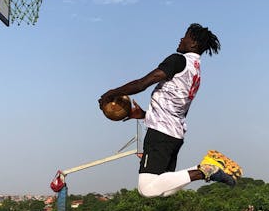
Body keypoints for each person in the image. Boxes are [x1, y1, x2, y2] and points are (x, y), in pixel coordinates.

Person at [99, 23, 241, 198]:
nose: (181, 39)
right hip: (174, 135)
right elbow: (177, 109)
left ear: (194, 43)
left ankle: (205, 171)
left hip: (160, 135)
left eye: (186, 36)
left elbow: (142, 83)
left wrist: (111, 93)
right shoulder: (195, 71)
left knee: (146, 189)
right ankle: (208, 167)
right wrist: (144, 115)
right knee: (164, 188)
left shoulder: (178, 60)